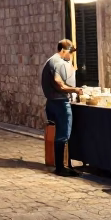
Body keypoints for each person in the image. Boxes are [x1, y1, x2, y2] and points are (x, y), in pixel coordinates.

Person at [41, 39, 82, 177]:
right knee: (63, 135)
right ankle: (60, 167)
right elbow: (59, 84)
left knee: (58, 134)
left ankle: (60, 164)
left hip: (52, 102)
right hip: (60, 103)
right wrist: (75, 90)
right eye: (70, 53)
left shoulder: (51, 61)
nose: (71, 56)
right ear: (64, 51)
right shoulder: (58, 62)